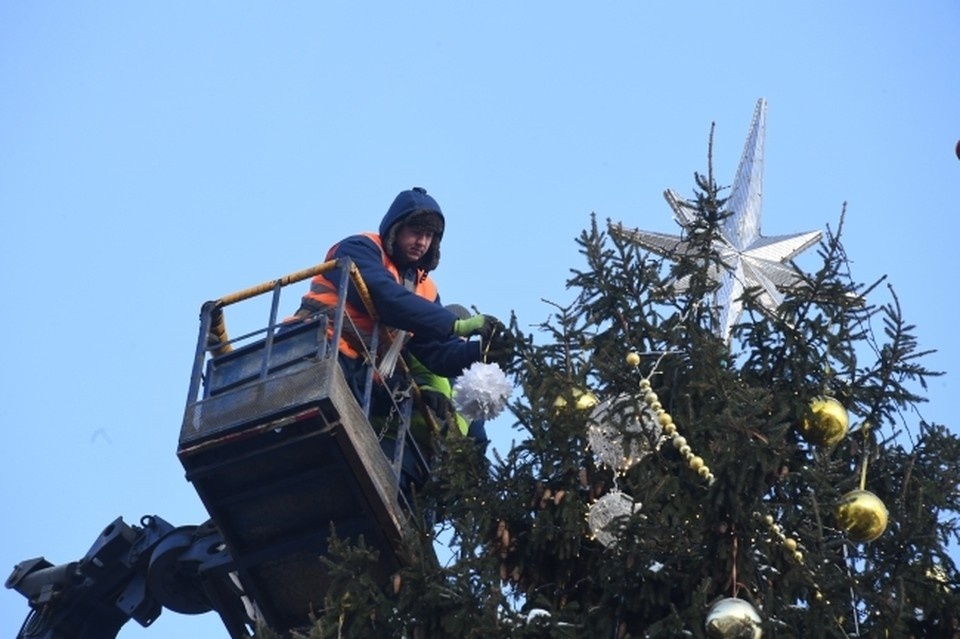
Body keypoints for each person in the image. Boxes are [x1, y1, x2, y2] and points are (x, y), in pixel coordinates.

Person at [287, 187, 511, 487]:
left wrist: (482, 353)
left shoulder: (424, 290)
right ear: (395, 229)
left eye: (430, 236)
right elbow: (384, 297)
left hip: (358, 375)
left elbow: (435, 352)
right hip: (314, 347)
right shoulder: (360, 248)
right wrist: (455, 325)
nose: (422, 241)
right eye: (415, 231)